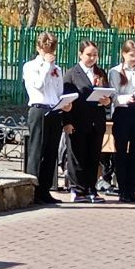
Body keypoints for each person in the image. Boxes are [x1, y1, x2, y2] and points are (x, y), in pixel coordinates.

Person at [22, 32, 73, 204]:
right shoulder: (30, 66)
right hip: (38, 110)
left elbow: (58, 92)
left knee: (51, 152)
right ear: (39, 48)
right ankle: (33, 190)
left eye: (51, 50)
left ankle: (44, 190)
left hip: (53, 111)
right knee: (37, 152)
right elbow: (38, 85)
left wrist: (65, 103)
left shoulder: (57, 70)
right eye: (45, 50)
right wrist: (45, 65)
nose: (49, 54)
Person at [64, 40, 112, 203]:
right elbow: (66, 99)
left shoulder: (100, 73)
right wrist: (67, 122)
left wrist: (107, 101)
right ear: (80, 54)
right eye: (88, 55)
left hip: (96, 121)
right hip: (78, 120)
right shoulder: (71, 74)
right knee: (77, 155)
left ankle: (92, 189)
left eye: (95, 55)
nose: (92, 58)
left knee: (93, 156)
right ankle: (78, 189)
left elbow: (107, 94)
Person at [108, 40, 135, 204]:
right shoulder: (115, 72)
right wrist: (128, 98)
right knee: (121, 152)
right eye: (131, 55)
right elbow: (114, 96)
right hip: (123, 112)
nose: (134, 59)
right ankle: (122, 189)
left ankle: (132, 189)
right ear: (124, 54)